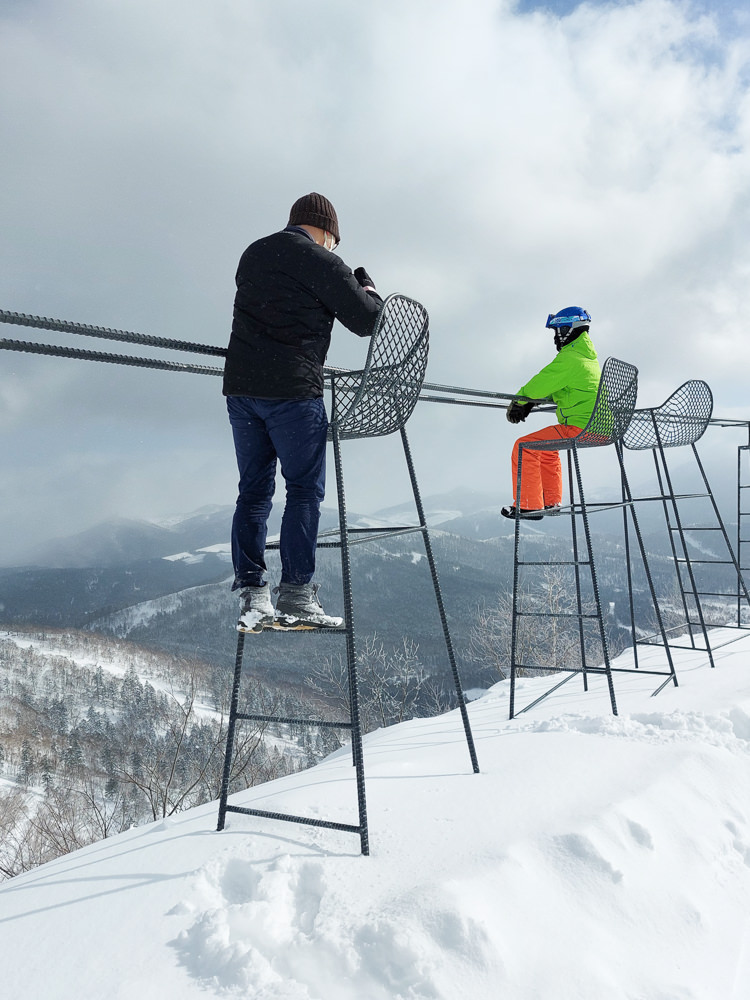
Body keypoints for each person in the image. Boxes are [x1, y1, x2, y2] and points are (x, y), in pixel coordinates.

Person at [223, 192, 383, 632]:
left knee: (253, 493)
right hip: (293, 392)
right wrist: (365, 286)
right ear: (328, 231)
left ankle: (253, 596)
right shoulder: (324, 262)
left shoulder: (254, 252)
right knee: (303, 491)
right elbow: (368, 321)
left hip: (240, 389)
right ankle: (295, 595)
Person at [501, 306, 600, 520]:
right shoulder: (588, 360)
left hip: (580, 428)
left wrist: (520, 401)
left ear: (567, 329)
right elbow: (563, 389)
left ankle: (528, 506)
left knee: (523, 446)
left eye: (557, 331)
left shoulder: (570, 358)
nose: (556, 337)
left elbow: (543, 380)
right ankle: (550, 502)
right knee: (546, 448)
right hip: (598, 427)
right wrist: (532, 402)